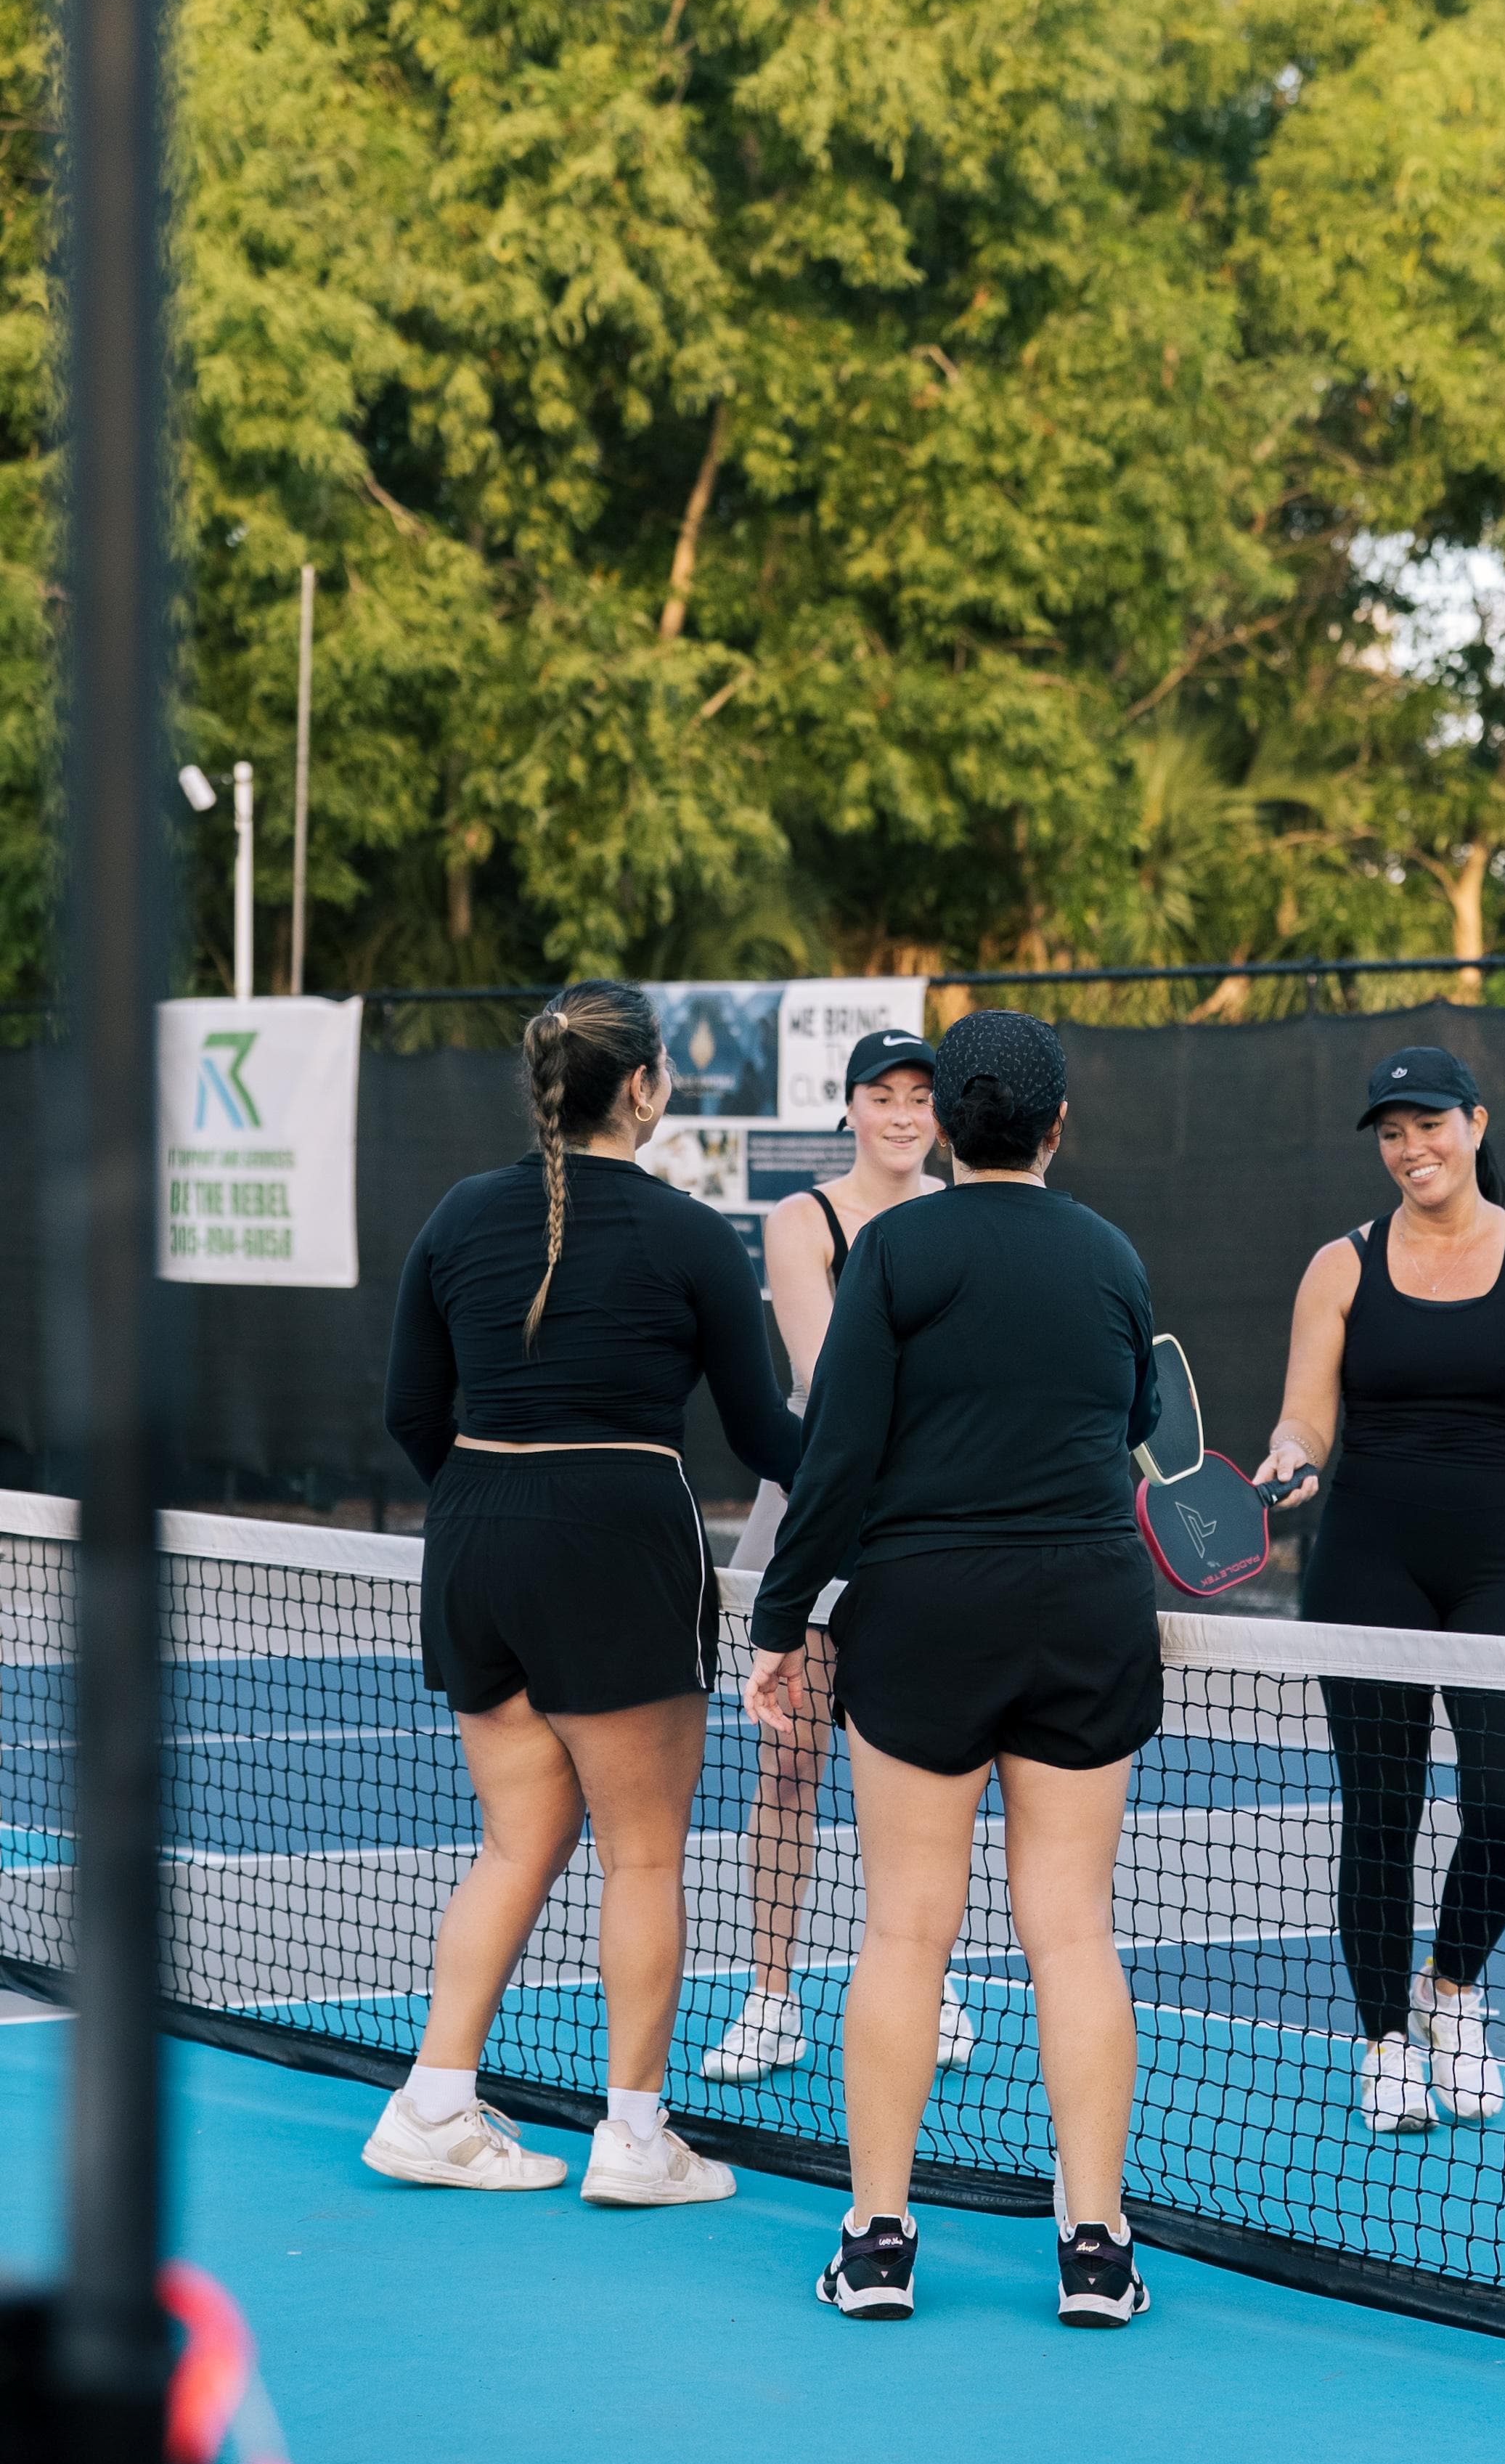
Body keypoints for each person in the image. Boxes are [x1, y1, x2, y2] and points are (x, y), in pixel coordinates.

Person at [743, 1010, 1162, 2328]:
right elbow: (1140, 1423)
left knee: (902, 1932)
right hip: (1086, 1610)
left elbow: (839, 1450)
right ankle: (1095, 2253)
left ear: (951, 1123)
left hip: (921, 1615)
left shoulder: (897, 1250)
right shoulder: (1111, 1256)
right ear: (1054, 1127)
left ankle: (877, 2244)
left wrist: (781, 1620)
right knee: (1075, 1931)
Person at [367, 979, 804, 2203]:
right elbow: (768, 1434)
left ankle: (435, 2106)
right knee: (644, 1859)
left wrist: (494, 1503)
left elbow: (412, 1413)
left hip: (474, 1545)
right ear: (647, 1089)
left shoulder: (459, 1215)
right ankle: (633, 2138)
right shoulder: (692, 1236)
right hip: (618, 1549)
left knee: (517, 1843)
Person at [1255, 1044, 1505, 2136]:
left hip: (1502, 1569)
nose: (1410, 1148)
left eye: (1428, 1124)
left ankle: (1454, 1993)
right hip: (1364, 1567)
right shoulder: (1340, 1266)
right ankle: (1384, 2044)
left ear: (1475, 1124)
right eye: (1390, 1131)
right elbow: (1306, 1415)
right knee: (1383, 1817)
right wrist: (1290, 1455)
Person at [706, 1029, 977, 2084]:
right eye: (884, 1094)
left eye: (922, 1096)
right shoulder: (800, 1221)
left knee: (923, 1773)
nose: (904, 1114)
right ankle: (771, 1996)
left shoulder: (970, 1214)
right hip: (822, 1513)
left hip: (936, 1524)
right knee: (789, 1765)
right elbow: (830, 1377)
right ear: (851, 1108)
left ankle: (930, 1980)